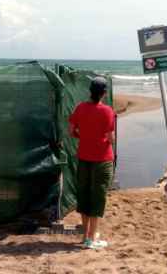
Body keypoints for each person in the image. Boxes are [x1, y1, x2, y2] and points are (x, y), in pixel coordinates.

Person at [68, 77, 116, 250]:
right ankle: (91, 239)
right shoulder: (108, 111)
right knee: (98, 196)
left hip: (84, 157)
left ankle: (86, 235)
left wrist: (84, 137)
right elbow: (110, 138)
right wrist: (103, 140)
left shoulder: (80, 108)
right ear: (104, 93)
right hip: (102, 159)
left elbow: (71, 130)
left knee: (84, 195)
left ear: (90, 91)